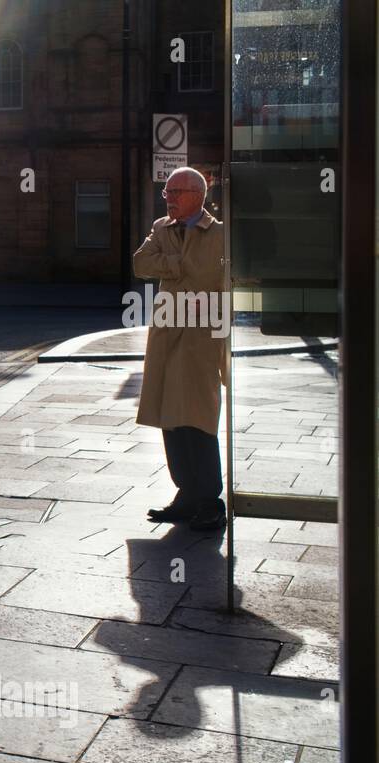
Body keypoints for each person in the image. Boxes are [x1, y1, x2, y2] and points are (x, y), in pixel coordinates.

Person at [132, 166, 229, 532]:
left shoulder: (219, 234)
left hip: (202, 336)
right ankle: (186, 495)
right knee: (170, 417)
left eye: (176, 193)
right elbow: (141, 264)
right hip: (168, 332)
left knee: (198, 418)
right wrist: (178, 265)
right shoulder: (161, 227)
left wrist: (171, 267)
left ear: (198, 195)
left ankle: (210, 501)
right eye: (166, 193)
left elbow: (207, 275)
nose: (169, 198)